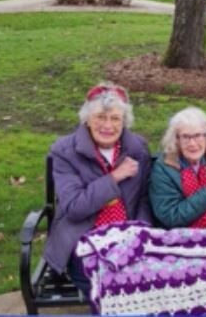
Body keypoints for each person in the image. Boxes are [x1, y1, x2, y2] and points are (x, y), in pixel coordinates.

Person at [44, 81, 153, 302]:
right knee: (111, 293)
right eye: (100, 117)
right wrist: (114, 177)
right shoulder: (65, 151)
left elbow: (143, 198)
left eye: (115, 118)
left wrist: (140, 234)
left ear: (124, 122)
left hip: (127, 238)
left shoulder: (138, 148)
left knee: (146, 284)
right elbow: (75, 207)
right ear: (87, 119)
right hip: (84, 240)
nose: (108, 125)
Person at [149, 106, 206, 230]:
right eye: (186, 137)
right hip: (178, 237)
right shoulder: (164, 168)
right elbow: (171, 217)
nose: (192, 143)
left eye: (197, 136)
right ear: (176, 140)